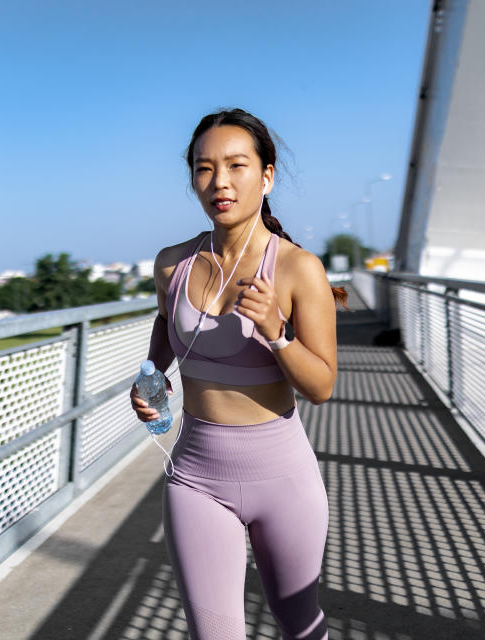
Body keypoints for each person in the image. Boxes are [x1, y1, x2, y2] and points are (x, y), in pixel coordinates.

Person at [130, 108, 346, 640]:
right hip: (196, 477)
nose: (219, 182)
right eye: (204, 169)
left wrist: (276, 330)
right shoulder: (171, 265)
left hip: (283, 476)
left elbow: (321, 386)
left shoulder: (298, 268)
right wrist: (151, 376)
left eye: (236, 165)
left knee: (298, 622)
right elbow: (166, 327)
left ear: (266, 175)